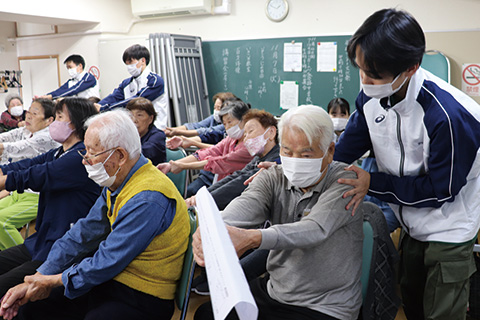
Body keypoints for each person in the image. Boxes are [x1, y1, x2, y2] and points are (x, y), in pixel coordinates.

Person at [333, 8, 480, 319]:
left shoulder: (449, 117)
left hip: (449, 226)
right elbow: (346, 148)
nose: (365, 80)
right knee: (411, 302)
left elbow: (441, 191)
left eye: (373, 74)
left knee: (442, 312)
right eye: (360, 69)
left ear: (411, 68)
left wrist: (373, 183)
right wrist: (290, 166)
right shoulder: (372, 94)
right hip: (411, 221)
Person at [0, 110, 190, 320]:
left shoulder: (147, 197)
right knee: (33, 307)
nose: (85, 160)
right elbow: (83, 232)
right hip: (113, 280)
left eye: (91, 152)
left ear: (119, 156)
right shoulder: (118, 181)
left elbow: (107, 260)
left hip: (142, 295)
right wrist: (41, 276)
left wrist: (51, 281)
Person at [193, 105, 363, 320]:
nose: (294, 160)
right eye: (287, 152)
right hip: (275, 291)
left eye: (306, 154)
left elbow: (314, 229)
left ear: (329, 152)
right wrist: (211, 228)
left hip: (325, 305)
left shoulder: (346, 182)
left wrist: (253, 238)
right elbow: (246, 205)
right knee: (207, 315)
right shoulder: (273, 175)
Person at [0, 97, 100, 298]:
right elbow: (28, 165)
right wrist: (2, 170)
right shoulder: (59, 153)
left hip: (60, 248)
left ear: (77, 123)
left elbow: (37, 175)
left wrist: (4, 181)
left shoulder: (79, 157)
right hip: (41, 242)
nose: (54, 123)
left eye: (60, 117)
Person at [185, 109, 280, 210]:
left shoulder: (276, 159)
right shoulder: (258, 157)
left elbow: (242, 182)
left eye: (251, 132)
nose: (247, 139)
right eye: (245, 135)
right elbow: (238, 175)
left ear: (271, 132)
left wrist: (205, 200)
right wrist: (203, 195)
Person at [0, 98, 60, 250]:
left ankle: (22, 258)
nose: (28, 116)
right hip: (19, 191)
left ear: (49, 120)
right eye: (29, 112)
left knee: (2, 221)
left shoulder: (47, 137)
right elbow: (7, 137)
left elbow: (15, 147)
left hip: (36, 195)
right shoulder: (27, 131)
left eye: (35, 113)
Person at [158, 100, 252, 197]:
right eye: (224, 124)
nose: (227, 127)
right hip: (220, 184)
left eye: (230, 122)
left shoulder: (249, 145)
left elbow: (222, 162)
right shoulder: (231, 139)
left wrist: (182, 165)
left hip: (237, 192)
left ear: (244, 120)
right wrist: (171, 165)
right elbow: (212, 151)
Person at [98, 44, 168, 130]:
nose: (129, 67)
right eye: (126, 64)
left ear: (142, 60)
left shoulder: (155, 80)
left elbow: (137, 101)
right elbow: (114, 97)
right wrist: (96, 106)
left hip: (154, 129)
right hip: (134, 129)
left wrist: (104, 109)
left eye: (131, 62)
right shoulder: (127, 83)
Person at [165, 92, 236, 138]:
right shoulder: (213, 118)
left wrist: (178, 132)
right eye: (215, 108)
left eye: (219, 108)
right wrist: (172, 130)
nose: (216, 111)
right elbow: (195, 126)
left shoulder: (228, 124)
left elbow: (206, 131)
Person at [126, 97, 166, 165]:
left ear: (151, 118)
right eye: (131, 115)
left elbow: (141, 155)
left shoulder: (158, 136)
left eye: (139, 115)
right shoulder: (127, 135)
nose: (134, 120)